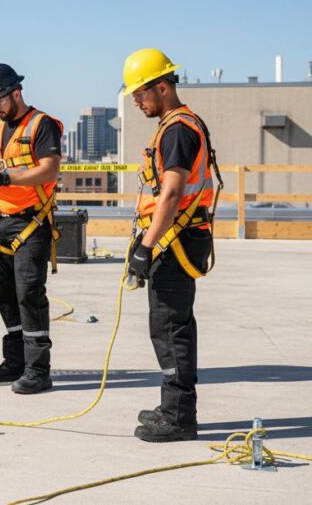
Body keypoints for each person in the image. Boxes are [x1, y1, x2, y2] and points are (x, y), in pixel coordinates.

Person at [123, 48, 220, 442]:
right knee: (168, 325)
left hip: (174, 240)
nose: (136, 101)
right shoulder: (175, 124)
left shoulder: (178, 129)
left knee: (170, 327)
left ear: (162, 87)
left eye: (141, 93)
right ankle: (172, 406)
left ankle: (179, 418)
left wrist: (146, 246)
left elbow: (173, 193)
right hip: (177, 237)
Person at [0, 63, 63, 394]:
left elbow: (49, 170)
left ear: (16, 93)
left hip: (31, 223)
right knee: (6, 297)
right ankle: (15, 363)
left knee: (29, 296)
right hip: (0, 222)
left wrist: (5, 177)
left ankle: (38, 370)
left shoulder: (42, 125)